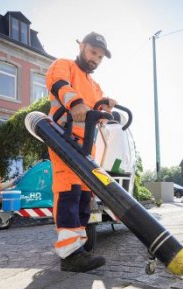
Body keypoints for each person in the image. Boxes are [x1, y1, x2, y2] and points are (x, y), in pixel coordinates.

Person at [46, 31, 117, 272]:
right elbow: (60, 86)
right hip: (63, 140)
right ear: (81, 46)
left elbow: (99, 119)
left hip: (87, 148)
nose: (95, 58)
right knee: (69, 194)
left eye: (100, 56)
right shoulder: (63, 65)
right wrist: (75, 104)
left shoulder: (95, 86)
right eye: (92, 52)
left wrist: (105, 108)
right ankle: (69, 254)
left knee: (85, 198)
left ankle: (81, 249)